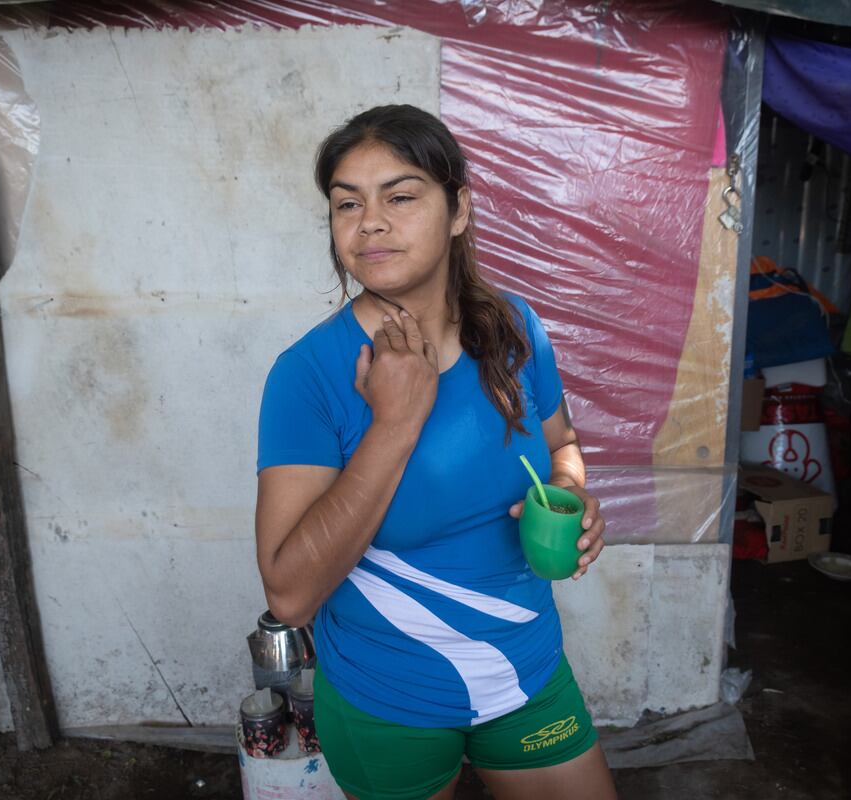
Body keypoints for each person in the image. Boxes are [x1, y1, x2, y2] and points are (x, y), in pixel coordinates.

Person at [255, 104, 616, 800]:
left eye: (401, 196)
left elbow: (561, 443)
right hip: (388, 701)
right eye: (346, 204)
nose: (371, 223)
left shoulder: (514, 330)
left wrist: (573, 495)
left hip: (527, 674)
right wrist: (395, 421)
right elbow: (290, 592)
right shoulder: (307, 375)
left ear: (458, 209)